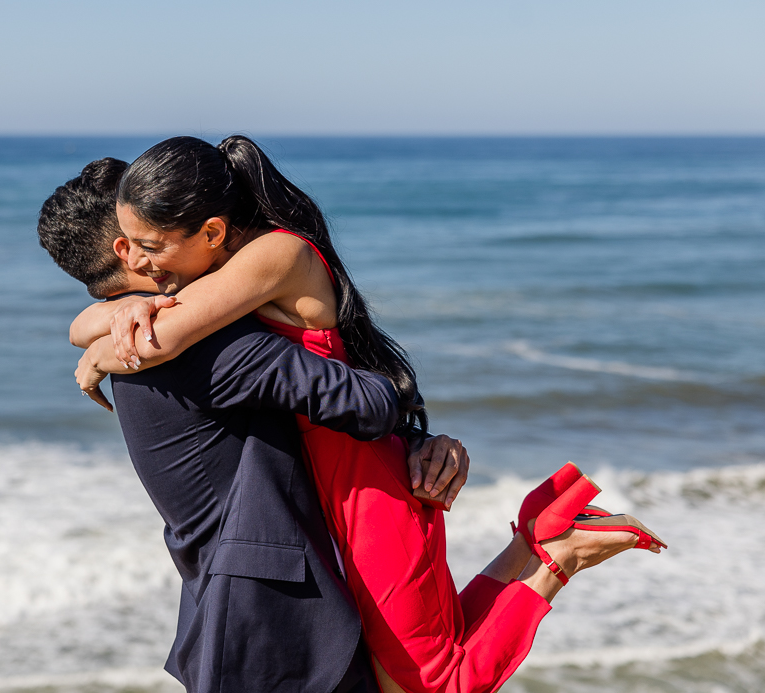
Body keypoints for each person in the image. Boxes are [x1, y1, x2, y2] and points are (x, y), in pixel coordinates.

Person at [71, 136, 667, 693]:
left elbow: (164, 335)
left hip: (361, 479)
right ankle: (536, 535)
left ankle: (557, 559)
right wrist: (105, 319)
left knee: (431, 681)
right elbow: (160, 316)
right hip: (336, 480)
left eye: (150, 247)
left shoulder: (273, 254)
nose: (145, 265)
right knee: (406, 663)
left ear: (212, 229)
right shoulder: (239, 265)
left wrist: (101, 346)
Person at [38, 158, 468, 692]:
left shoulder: (143, 339)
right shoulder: (203, 343)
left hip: (233, 616)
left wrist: (99, 340)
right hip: (284, 628)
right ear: (129, 248)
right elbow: (366, 402)